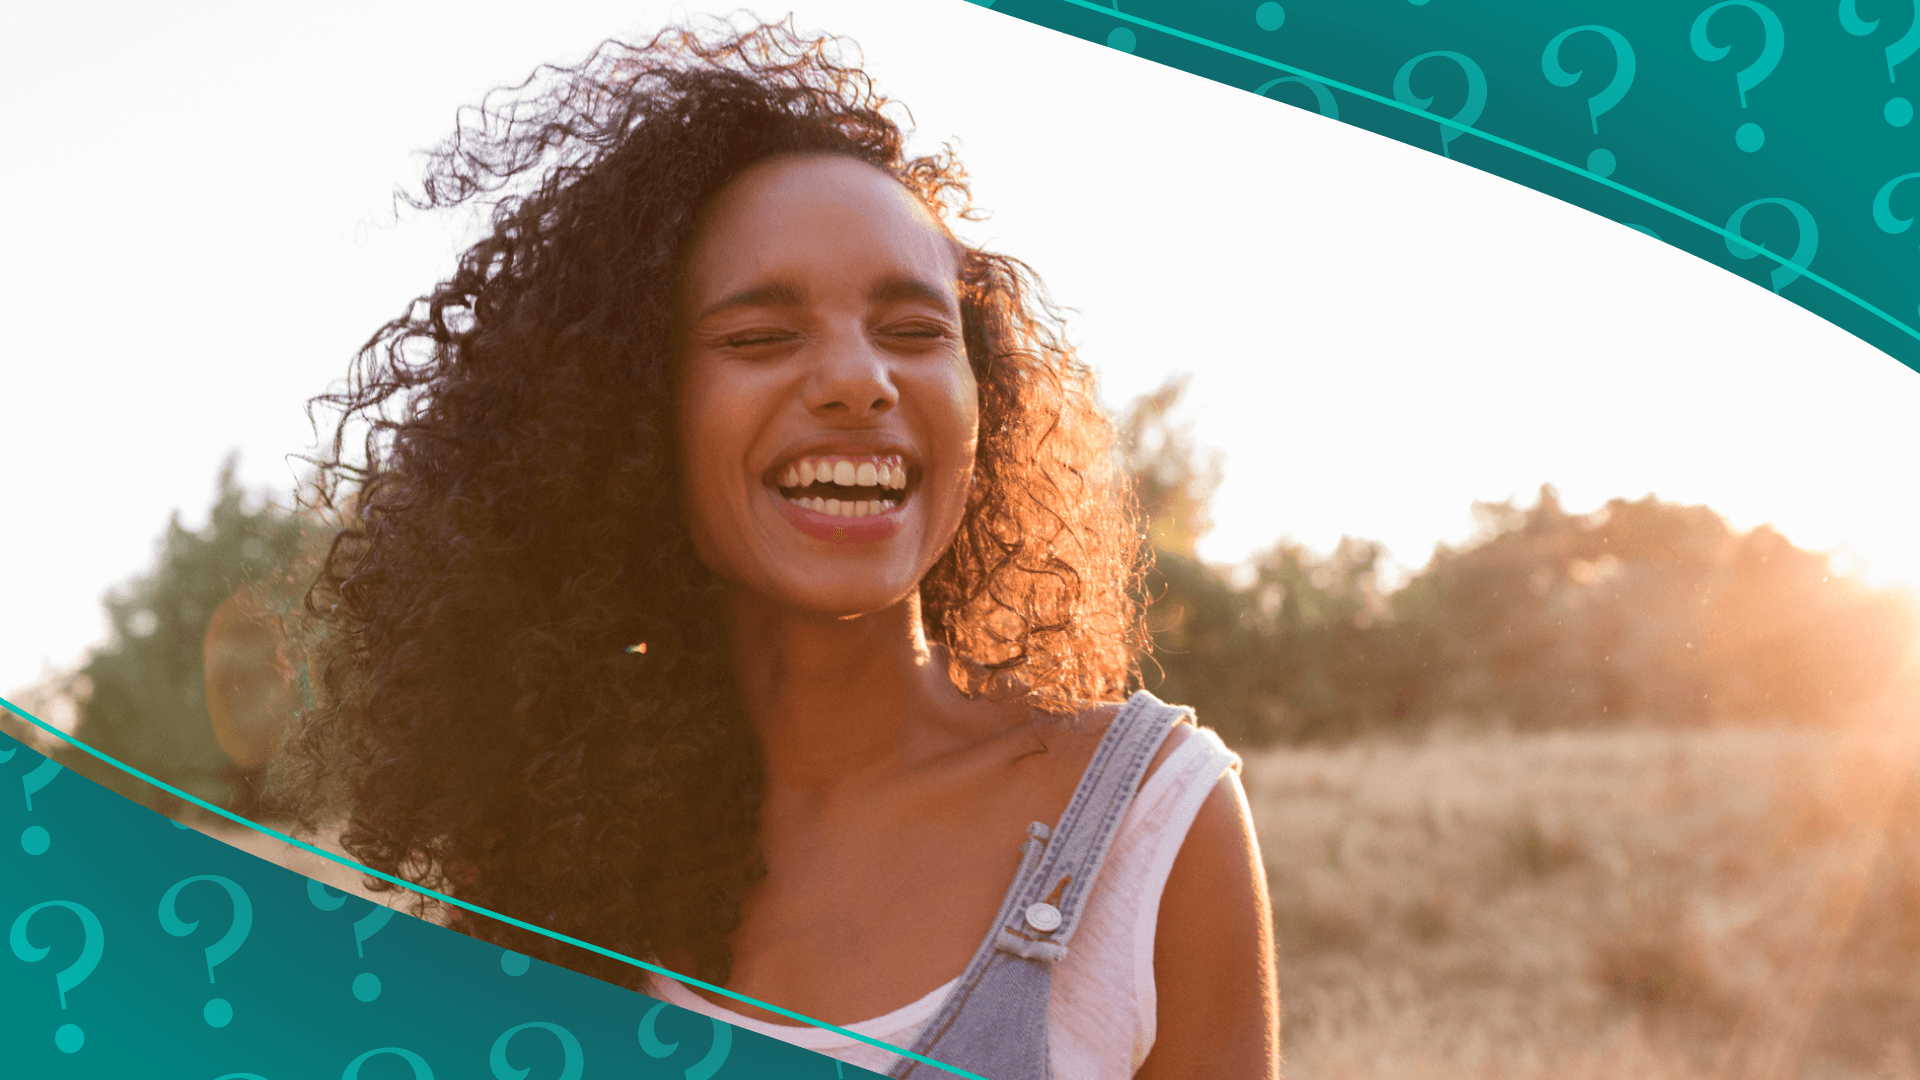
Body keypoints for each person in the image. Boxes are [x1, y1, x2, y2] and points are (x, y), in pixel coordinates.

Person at [282, 18, 1278, 1079]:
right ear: (629, 414)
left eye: (913, 331)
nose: (860, 381)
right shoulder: (535, 868)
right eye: (759, 337)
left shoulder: (1153, 823)